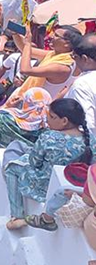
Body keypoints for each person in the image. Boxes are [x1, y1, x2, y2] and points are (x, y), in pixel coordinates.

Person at [5, 98, 93, 230]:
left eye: (51, 117)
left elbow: (34, 162)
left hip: (42, 185)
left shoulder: (49, 137)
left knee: (12, 168)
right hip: (71, 185)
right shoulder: (90, 140)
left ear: (64, 121)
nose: (47, 120)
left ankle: (17, 215)